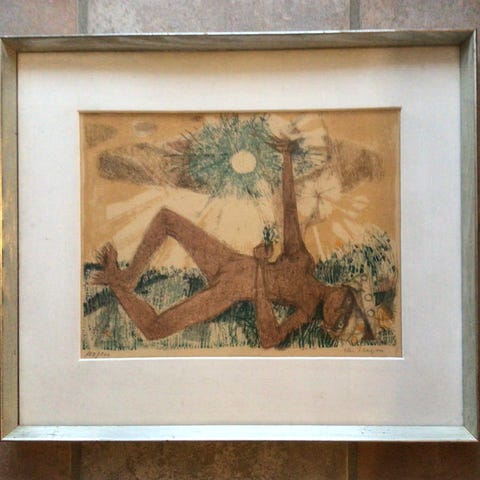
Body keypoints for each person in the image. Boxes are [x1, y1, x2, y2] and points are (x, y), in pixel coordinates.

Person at [93, 135, 372, 348]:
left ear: (329, 326)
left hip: (231, 288)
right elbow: (290, 211)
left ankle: (116, 284)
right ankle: (128, 276)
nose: (337, 311)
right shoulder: (302, 261)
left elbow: (269, 338)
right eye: (347, 306)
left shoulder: (306, 311)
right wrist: (287, 157)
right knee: (166, 219)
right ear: (346, 289)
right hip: (229, 261)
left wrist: (261, 267)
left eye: (339, 322)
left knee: (154, 329)